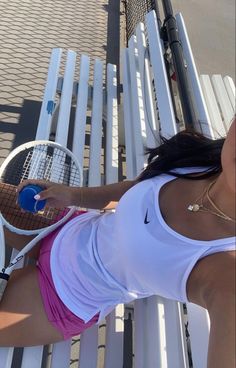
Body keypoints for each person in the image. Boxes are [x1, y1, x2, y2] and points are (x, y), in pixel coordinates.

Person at [0, 118, 235, 368]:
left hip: (61, 299)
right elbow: (134, 190)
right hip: (64, 226)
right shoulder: (202, 162)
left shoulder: (226, 271)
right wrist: (72, 195)